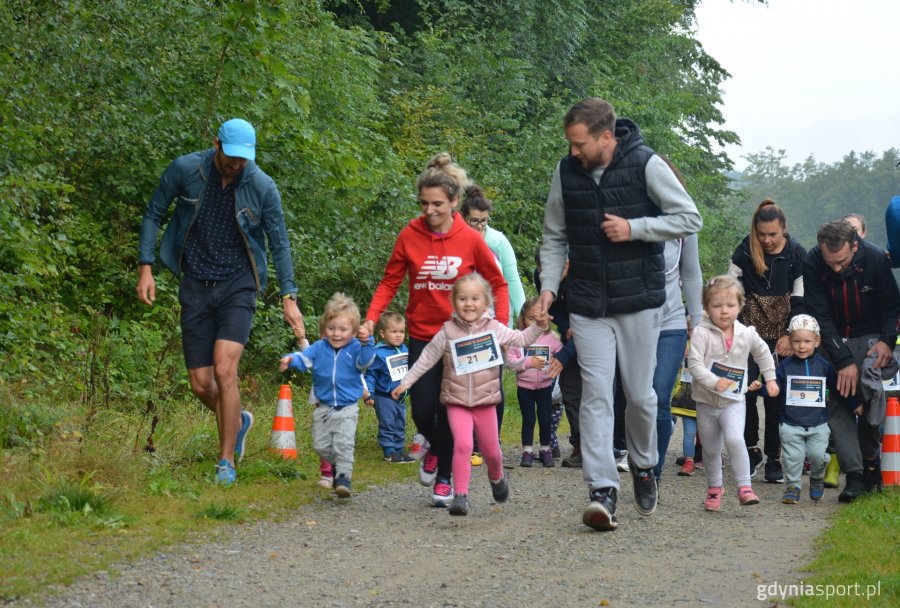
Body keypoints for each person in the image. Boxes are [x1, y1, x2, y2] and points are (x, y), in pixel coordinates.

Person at [538, 97, 702, 531]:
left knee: (641, 396)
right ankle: (602, 489)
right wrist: (549, 289)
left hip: (639, 302)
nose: (573, 152)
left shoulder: (646, 164)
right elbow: (554, 237)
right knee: (595, 393)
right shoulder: (565, 172)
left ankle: (645, 466)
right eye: (569, 144)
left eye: (579, 143)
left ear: (606, 137)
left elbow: (689, 218)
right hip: (589, 303)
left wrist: (636, 229)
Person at [136, 118, 303, 486]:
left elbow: (279, 243)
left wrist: (289, 296)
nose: (237, 164)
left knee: (225, 370)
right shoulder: (186, 169)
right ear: (216, 145)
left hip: (238, 285)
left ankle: (226, 461)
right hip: (195, 282)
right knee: (200, 383)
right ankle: (238, 421)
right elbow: (153, 213)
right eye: (231, 157)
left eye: (244, 159)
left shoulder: (261, 186)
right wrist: (145, 266)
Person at [364, 153, 510, 507]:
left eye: (438, 204)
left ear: (454, 201)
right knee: (421, 410)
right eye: (424, 204)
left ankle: (444, 477)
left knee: (450, 411)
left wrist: (500, 327)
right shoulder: (409, 236)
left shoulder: (470, 239)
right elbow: (389, 282)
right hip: (425, 334)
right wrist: (371, 317)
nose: (430, 211)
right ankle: (435, 447)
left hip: (465, 339)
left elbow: (499, 284)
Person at [391, 273, 547, 516]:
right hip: (456, 401)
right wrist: (406, 382)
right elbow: (426, 358)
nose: (469, 303)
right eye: (462, 298)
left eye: (475, 298)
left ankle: (496, 477)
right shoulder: (447, 331)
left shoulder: (494, 328)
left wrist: (538, 326)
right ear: (454, 302)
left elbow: (521, 338)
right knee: (462, 445)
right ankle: (461, 495)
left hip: (486, 401)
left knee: (491, 450)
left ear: (486, 303)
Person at [802, 220, 900, 502]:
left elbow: (892, 305)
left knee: (868, 397)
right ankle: (854, 474)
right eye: (829, 262)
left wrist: (886, 341)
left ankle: (872, 464)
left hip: (869, 336)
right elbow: (819, 314)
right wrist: (842, 361)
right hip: (832, 336)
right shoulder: (812, 262)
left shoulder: (875, 259)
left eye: (841, 261)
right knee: (839, 404)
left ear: (854, 246)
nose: (835, 268)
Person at [727, 199, 806, 484]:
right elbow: (731, 293)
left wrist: (788, 334)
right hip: (747, 334)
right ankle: (751, 450)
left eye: (773, 234)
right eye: (762, 234)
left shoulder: (797, 254)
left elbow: (800, 299)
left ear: (783, 229)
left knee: (776, 397)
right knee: (745, 393)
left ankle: (775, 457)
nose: (767, 240)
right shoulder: (744, 251)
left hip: (782, 336)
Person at [688, 275, 779, 511]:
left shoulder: (747, 333)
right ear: (707, 308)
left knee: (735, 438)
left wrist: (770, 378)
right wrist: (713, 381)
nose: (724, 311)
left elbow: (763, 354)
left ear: (740, 305)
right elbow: (694, 364)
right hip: (706, 403)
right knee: (710, 449)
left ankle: (744, 487)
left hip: (734, 401)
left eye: (730, 305)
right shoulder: (701, 332)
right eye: (717, 306)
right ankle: (715, 488)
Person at [280, 293, 375, 498]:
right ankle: (334, 465)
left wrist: (368, 343)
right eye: (331, 329)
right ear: (324, 329)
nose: (336, 334)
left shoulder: (356, 349)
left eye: (343, 329)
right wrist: (290, 359)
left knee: (344, 442)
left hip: (348, 407)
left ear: (353, 331)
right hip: (323, 406)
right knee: (321, 445)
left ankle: (343, 478)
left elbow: (366, 361)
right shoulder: (319, 348)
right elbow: (304, 358)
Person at [460, 185, 525, 461]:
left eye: (483, 221)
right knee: (463, 385)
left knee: (490, 385)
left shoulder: (498, 242)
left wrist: (522, 319)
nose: (479, 226)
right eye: (474, 221)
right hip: (462, 324)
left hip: (495, 324)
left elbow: (512, 282)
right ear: (463, 217)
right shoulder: (455, 240)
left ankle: (490, 441)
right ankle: (466, 442)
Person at [775, 314, 836, 504]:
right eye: (797, 341)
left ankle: (817, 478)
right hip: (791, 422)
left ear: (817, 341)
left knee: (818, 455)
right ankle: (793, 487)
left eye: (807, 341)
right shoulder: (784, 366)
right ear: (790, 341)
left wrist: (855, 399)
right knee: (793, 457)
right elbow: (774, 386)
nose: (802, 346)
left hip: (818, 423)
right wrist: (760, 388)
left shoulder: (824, 366)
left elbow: (837, 385)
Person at [507, 298, 563, 467]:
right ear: (523, 319)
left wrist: (556, 359)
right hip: (524, 387)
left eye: (539, 318)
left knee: (545, 419)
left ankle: (546, 450)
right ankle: (527, 452)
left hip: (545, 386)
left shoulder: (551, 338)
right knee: (529, 419)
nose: (535, 322)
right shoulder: (518, 339)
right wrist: (528, 363)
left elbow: (561, 353)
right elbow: (510, 361)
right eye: (531, 318)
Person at [364, 312, 416, 463]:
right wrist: (369, 393)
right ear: (382, 333)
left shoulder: (405, 349)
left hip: (401, 397)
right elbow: (370, 375)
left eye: (401, 331)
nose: (399, 335)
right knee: (388, 423)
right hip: (384, 396)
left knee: (400, 423)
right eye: (394, 332)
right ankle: (388, 451)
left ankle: (398, 451)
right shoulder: (378, 353)